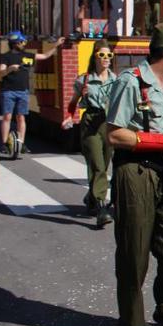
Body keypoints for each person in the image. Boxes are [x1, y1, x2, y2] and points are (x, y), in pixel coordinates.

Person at [105, 22, 163, 326]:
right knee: (134, 249)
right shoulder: (131, 82)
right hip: (137, 171)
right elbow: (114, 133)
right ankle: (131, 319)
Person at [63, 39, 117, 226]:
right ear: (95, 57)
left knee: (105, 161)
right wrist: (69, 116)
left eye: (109, 55)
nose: (106, 58)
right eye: (102, 55)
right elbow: (73, 102)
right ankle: (102, 208)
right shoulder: (84, 79)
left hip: (108, 123)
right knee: (98, 165)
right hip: (91, 122)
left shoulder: (115, 79)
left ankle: (91, 198)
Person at [0, 32, 64, 156]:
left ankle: (21, 143)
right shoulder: (6, 56)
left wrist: (56, 45)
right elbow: (1, 72)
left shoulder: (27, 55)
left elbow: (44, 56)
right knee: (7, 117)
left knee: (21, 117)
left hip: (23, 91)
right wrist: (10, 69)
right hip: (8, 91)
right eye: (22, 42)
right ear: (15, 43)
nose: (24, 44)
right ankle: (4, 143)